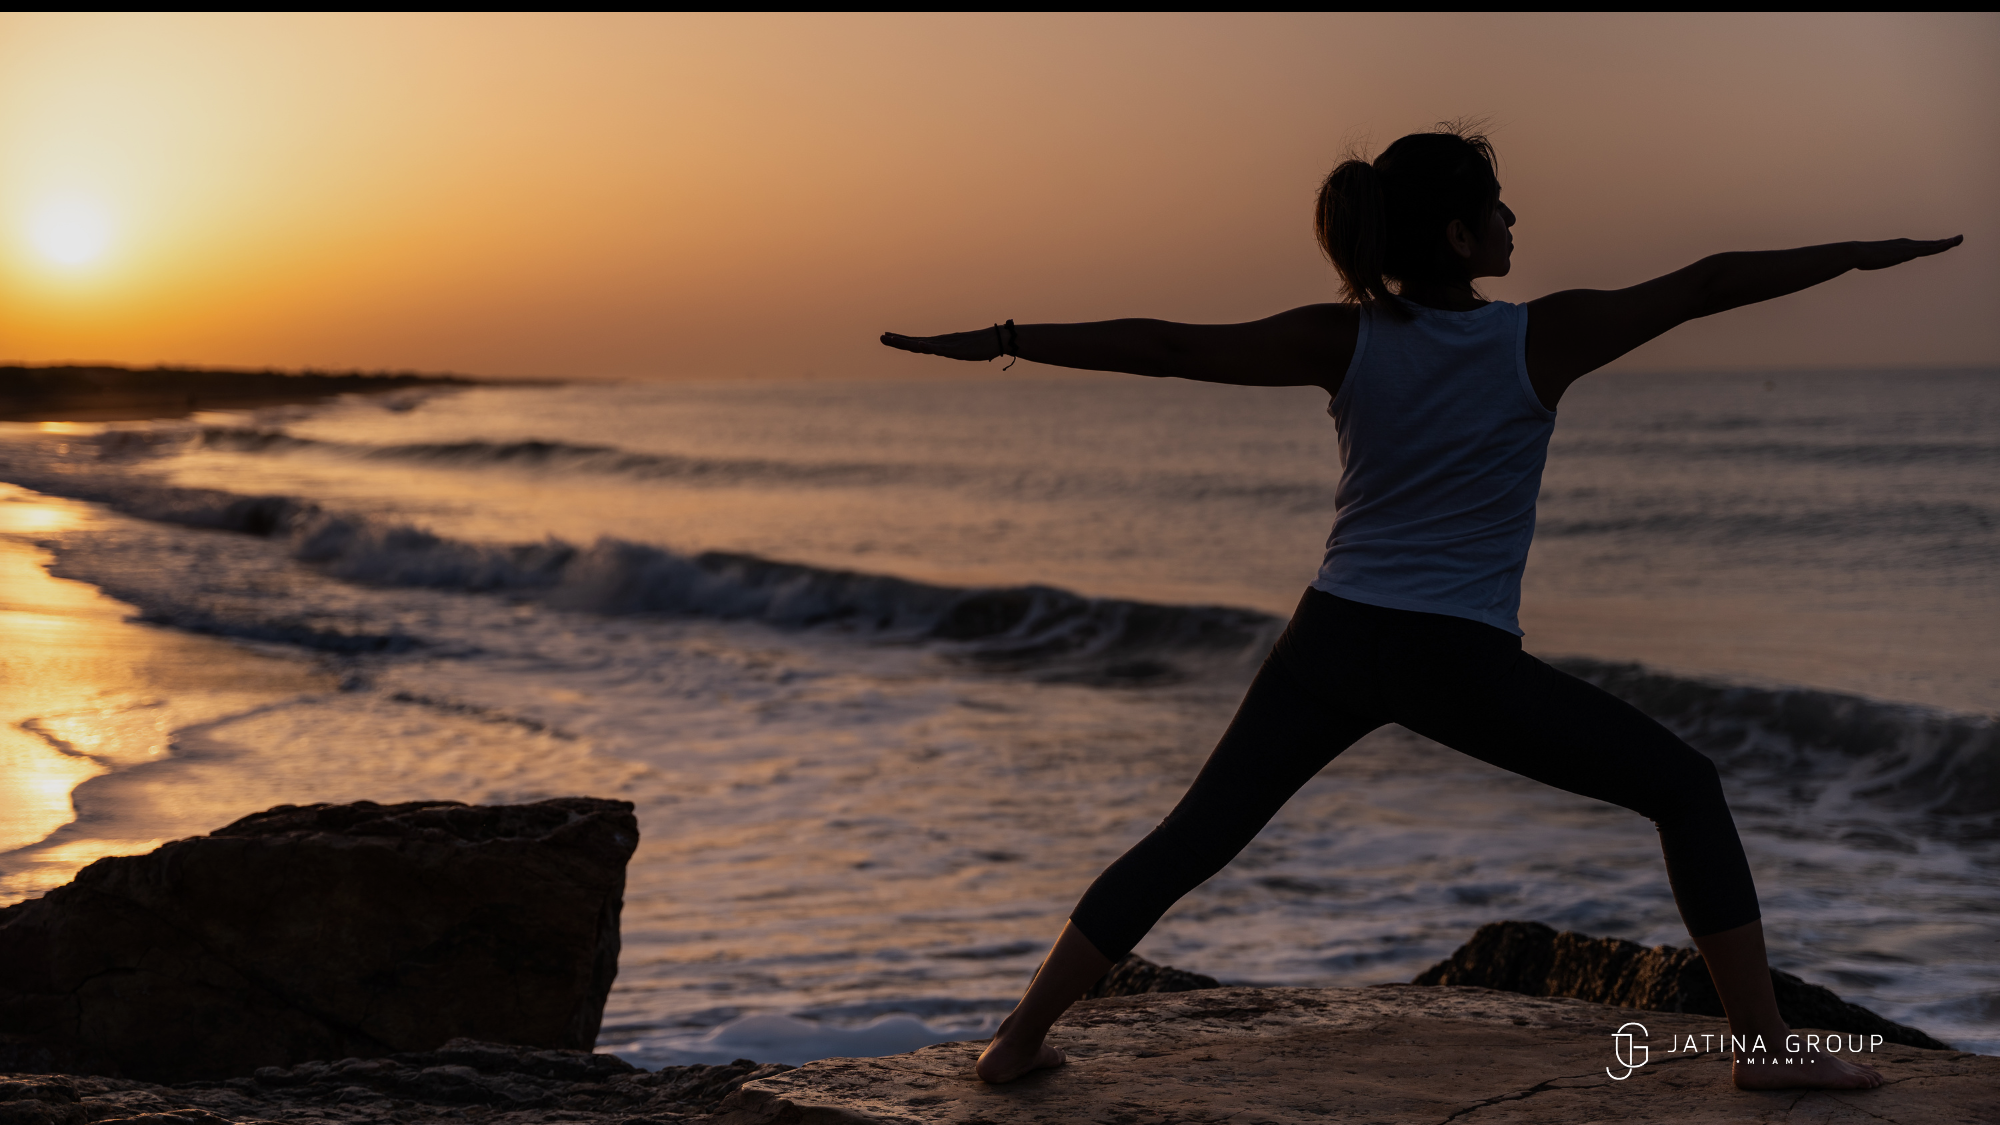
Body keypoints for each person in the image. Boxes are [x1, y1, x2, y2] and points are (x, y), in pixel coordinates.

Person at [880, 124, 1960, 1092]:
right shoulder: (1544, 336)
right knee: (1684, 788)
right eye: (1494, 207)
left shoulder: (1342, 338)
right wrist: (1861, 253)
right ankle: (1764, 1048)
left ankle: (1016, 1040)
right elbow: (1708, 282)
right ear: (1453, 234)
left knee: (1192, 838)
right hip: (1455, 658)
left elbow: (1168, 347)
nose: (1510, 219)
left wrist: (1010, 334)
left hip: (1333, 637)